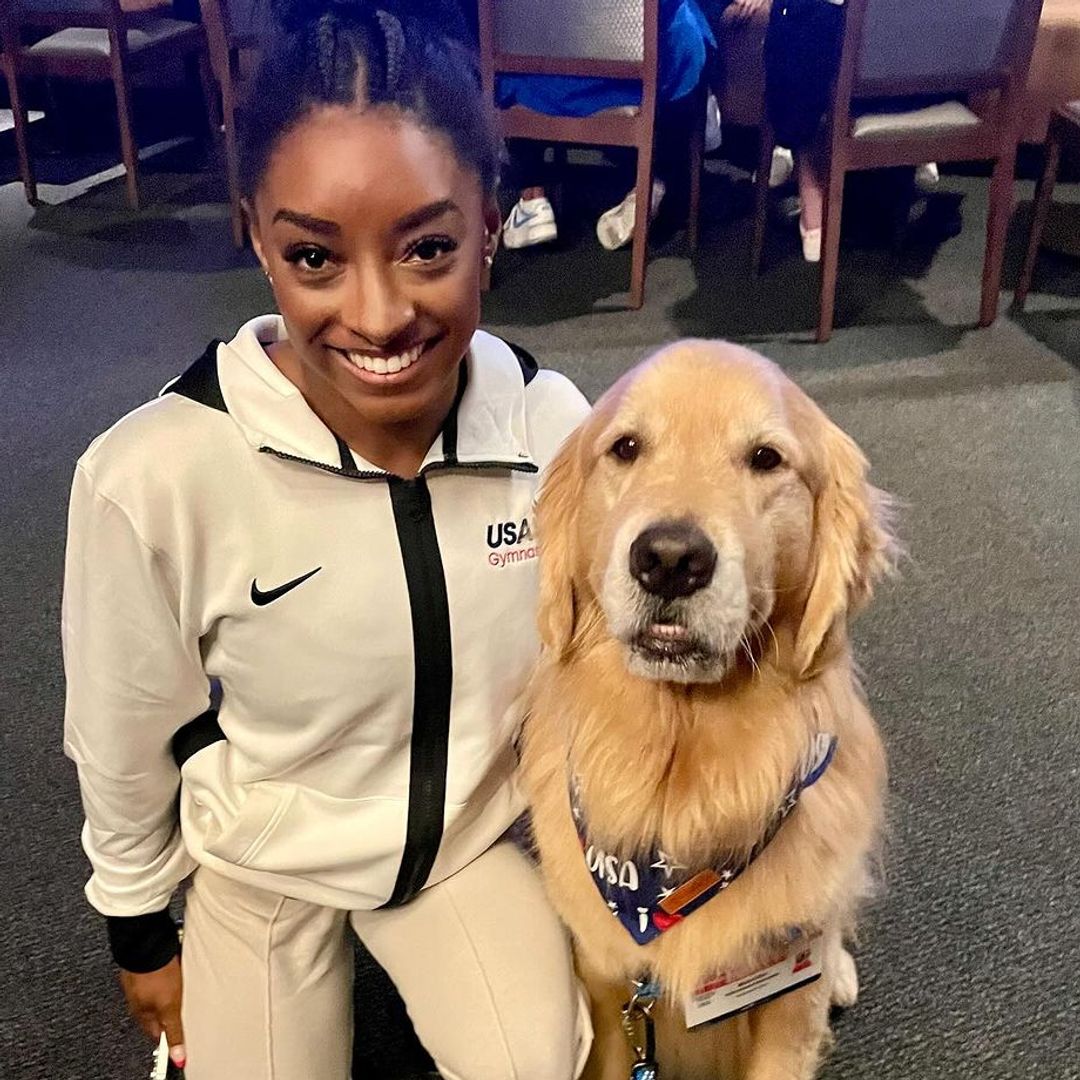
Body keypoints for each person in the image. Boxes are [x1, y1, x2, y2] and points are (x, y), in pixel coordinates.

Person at [61, 2, 593, 1077]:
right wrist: (137, 927)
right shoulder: (151, 476)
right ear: (258, 238)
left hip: (462, 845)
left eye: (429, 247)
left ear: (492, 221)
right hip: (269, 858)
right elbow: (120, 729)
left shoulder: (553, 430)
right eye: (315, 256)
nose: (380, 314)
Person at [497, 0, 715, 251]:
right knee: (685, 45)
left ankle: (531, 194)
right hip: (631, 87)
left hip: (539, 87)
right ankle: (655, 181)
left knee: (514, 47)